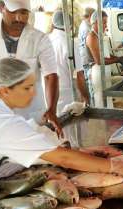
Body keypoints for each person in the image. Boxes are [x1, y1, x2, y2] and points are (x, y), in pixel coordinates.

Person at [0, 58, 123, 187]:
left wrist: (74, 150)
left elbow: (27, 132)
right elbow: (63, 159)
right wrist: (115, 166)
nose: (34, 93)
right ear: (4, 90)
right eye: (27, 87)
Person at [0, 0, 62, 136]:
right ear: (1, 7)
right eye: (13, 12)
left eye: (24, 13)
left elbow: (51, 75)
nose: (19, 18)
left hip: (30, 115)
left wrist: (51, 109)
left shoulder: (40, 38)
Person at [49, 10, 90, 147]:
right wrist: (86, 97)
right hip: (67, 93)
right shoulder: (70, 43)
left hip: (49, 95)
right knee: (72, 134)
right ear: (70, 25)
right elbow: (79, 75)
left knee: (57, 132)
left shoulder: (47, 40)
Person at [85, 10, 123, 108]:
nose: (106, 25)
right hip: (97, 72)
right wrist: (118, 60)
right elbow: (99, 60)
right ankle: (102, 121)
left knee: (107, 98)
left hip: (104, 72)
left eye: (106, 22)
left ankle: (108, 119)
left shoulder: (100, 36)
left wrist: (120, 58)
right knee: (100, 99)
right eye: (103, 22)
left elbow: (106, 55)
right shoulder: (92, 37)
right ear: (95, 22)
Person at [77, 7, 95, 89]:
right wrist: (94, 59)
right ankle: (90, 100)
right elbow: (89, 46)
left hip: (85, 58)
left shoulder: (84, 24)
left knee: (89, 81)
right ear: (90, 16)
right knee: (90, 82)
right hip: (87, 60)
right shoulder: (86, 28)